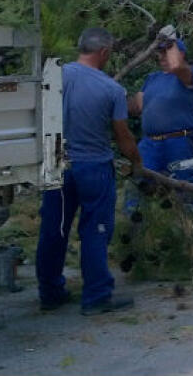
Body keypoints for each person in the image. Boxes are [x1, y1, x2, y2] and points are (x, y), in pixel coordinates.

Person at [36, 27, 142, 316]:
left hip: (56, 165)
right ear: (104, 52)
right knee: (96, 230)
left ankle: (50, 293)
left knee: (53, 229)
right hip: (93, 168)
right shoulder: (111, 89)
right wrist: (136, 162)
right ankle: (96, 297)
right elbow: (123, 136)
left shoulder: (55, 76)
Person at [125, 32, 193, 213]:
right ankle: (132, 232)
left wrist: (171, 39)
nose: (161, 56)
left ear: (180, 54)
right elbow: (136, 106)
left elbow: (176, 66)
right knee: (138, 186)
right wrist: (115, 95)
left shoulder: (188, 74)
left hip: (179, 141)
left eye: (166, 51)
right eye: (159, 52)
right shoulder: (152, 78)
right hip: (149, 143)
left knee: (185, 189)